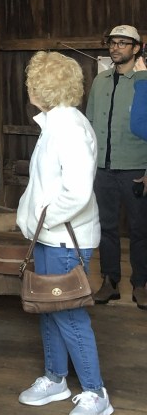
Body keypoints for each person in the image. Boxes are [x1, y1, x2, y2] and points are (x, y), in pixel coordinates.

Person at [17, 51, 113, 415]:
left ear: (41, 87)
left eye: (31, 82)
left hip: (63, 239)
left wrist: (40, 222)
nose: (28, 88)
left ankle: (95, 391)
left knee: (69, 316)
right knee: (48, 309)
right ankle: (56, 379)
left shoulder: (69, 128)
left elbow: (76, 193)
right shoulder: (56, 124)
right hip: (51, 238)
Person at [84, 25, 147, 308]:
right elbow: (90, 124)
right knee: (106, 227)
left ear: (136, 48)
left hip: (136, 168)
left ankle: (141, 284)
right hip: (103, 169)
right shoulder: (100, 82)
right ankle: (109, 281)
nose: (116, 48)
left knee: (140, 228)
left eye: (123, 43)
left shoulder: (144, 82)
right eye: (113, 42)